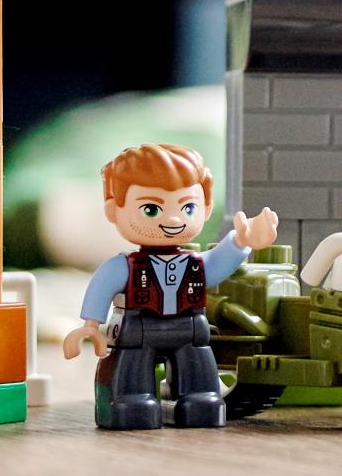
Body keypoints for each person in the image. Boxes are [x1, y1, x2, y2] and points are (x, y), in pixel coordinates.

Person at [64, 142, 279, 429]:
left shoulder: (195, 264)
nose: (174, 219)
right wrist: (90, 326)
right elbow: (102, 287)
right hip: (138, 330)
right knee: (131, 372)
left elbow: (217, 264)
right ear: (114, 210)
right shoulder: (124, 266)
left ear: (206, 207)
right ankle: (131, 401)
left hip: (189, 328)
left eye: (187, 207)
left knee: (198, 366)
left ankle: (200, 398)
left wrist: (242, 241)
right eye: (151, 209)